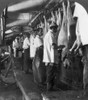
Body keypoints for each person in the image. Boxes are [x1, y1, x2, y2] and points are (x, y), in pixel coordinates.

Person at [70, 2, 88, 90]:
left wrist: (74, 48)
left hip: (84, 43)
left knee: (86, 66)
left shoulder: (79, 23)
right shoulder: (80, 23)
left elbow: (78, 40)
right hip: (84, 43)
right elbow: (78, 40)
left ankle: (85, 88)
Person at [43, 22, 58, 91]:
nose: (56, 29)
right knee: (50, 73)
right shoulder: (50, 35)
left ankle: (50, 87)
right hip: (50, 58)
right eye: (55, 28)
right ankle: (49, 89)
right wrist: (59, 47)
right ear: (53, 28)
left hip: (48, 57)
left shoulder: (48, 35)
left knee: (49, 72)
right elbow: (53, 45)